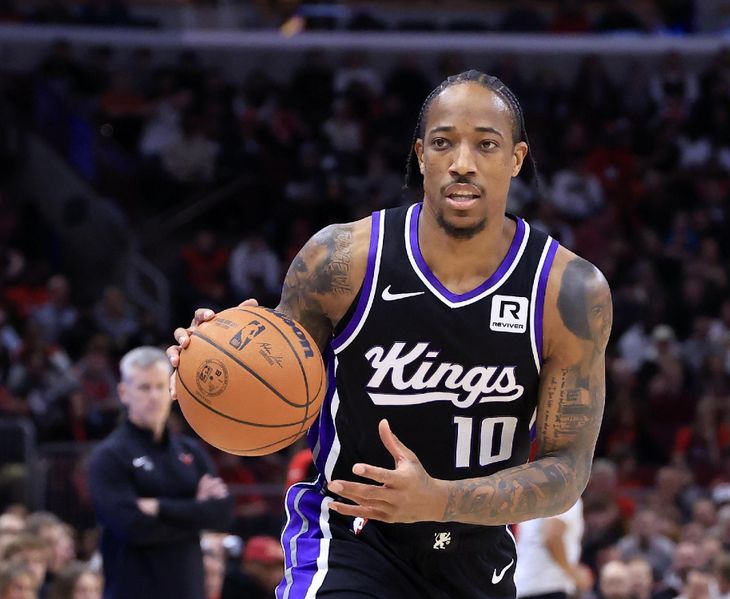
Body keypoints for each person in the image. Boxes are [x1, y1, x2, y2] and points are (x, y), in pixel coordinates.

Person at [169, 70, 611, 599]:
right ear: (421, 154)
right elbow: (280, 401)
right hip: (350, 538)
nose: (462, 163)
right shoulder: (341, 260)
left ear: (515, 159)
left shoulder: (569, 292)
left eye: (486, 145)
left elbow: (567, 470)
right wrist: (216, 368)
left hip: (472, 551)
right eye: (444, 143)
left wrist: (438, 500)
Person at [87, 347, 234, 599]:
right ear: (124, 392)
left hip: (188, 589)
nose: (154, 396)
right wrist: (195, 510)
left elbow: (221, 515)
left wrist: (156, 507)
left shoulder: (190, 451)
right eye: (144, 388)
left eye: (159, 386)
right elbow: (130, 527)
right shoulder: (109, 455)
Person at [514, 498, 587, 599]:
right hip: (547, 586)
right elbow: (552, 536)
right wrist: (574, 574)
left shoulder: (540, 497)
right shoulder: (567, 495)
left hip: (526, 585)